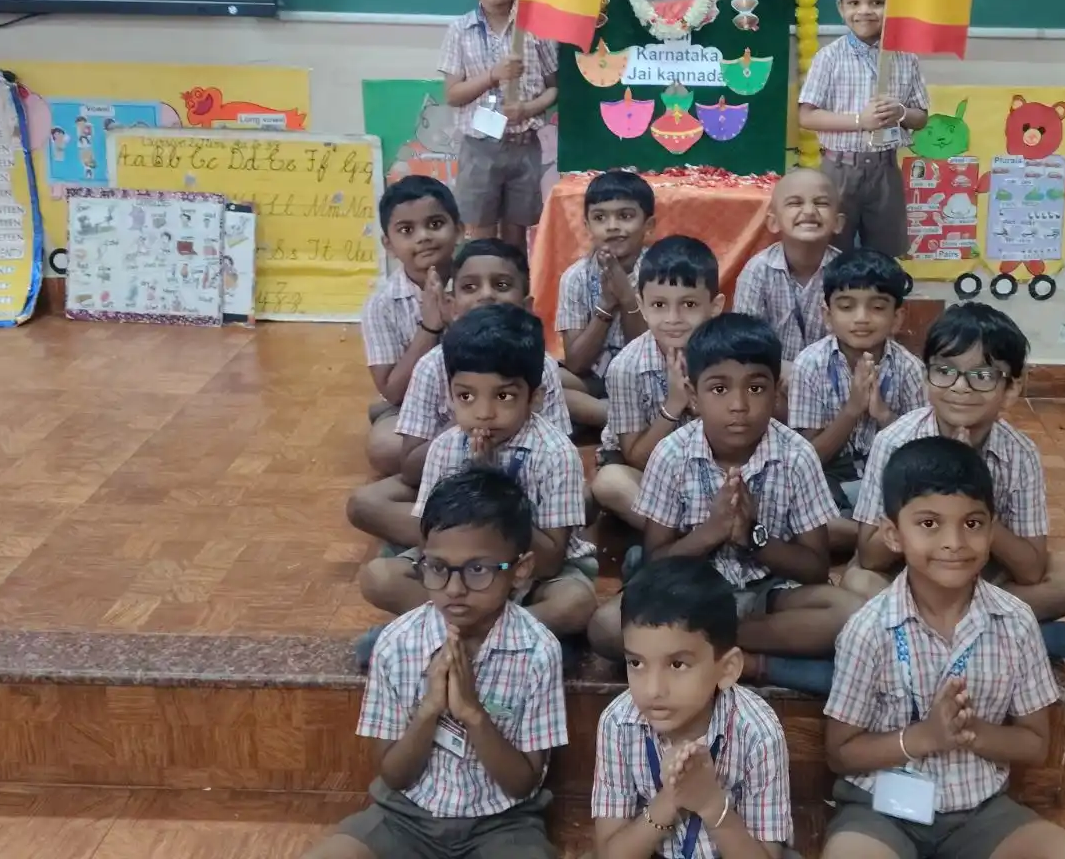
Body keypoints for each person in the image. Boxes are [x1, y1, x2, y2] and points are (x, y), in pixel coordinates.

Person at [821, 437, 1065, 859]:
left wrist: (970, 734)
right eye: (929, 524)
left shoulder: (1015, 621)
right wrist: (926, 736)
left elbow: (1034, 743)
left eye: (972, 523)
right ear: (893, 535)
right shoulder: (868, 629)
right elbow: (840, 753)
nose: (954, 542)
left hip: (981, 814)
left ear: (991, 530)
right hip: (879, 813)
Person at [589, 313, 866, 695]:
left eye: (756, 388)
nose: (739, 404)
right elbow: (656, 563)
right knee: (605, 627)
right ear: (692, 395)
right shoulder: (671, 454)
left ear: (776, 391)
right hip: (694, 595)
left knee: (850, 615)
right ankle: (751, 659)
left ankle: (708, 650)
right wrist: (711, 532)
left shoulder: (797, 455)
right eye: (719, 389)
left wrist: (753, 538)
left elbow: (815, 570)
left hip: (769, 595)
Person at [304, 470, 565, 859]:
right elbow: (393, 774)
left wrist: (474, 714)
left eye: (478, 569)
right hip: (403, 817)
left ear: (521, 570)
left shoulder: (538, 651)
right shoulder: (398, 643)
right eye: (438, 568)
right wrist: (429, 711)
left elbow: (522, 784)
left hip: (502, 824)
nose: (454, 589)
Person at [846, 305, 1065, 663]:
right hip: (912, 579)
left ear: (1011, 389)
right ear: (926, 378)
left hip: (980, 580)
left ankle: (937, 638)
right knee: (858, 584)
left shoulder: (1020, 453)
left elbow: (1031, 568)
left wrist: (973, 494)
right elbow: (870, 556)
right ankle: (1006, 637)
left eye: (982, 376)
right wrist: (934, 488)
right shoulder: (896, 442)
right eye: (945, 372)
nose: (960, 388)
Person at [358, 304, 598, 643]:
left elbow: (548, 562)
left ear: (535, 399)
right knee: (379, 577)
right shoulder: (445, 449)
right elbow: (429, 541)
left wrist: (491, 488)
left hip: (531, 577)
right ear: (450, 395)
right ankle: (498, 636)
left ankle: (453, 635)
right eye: (466, 396)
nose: (484, 413)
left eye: (503, 396)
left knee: (573, 604)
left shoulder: (555, 453)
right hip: (463, 575)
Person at [347, 241, 572, 556]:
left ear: (526, 303)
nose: (486, 295)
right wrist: (468, 416)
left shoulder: (543, 366)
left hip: (524, 491)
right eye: (470, 286)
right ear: (451, 305)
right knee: (364, 504)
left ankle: (445, 548)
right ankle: (458, 551)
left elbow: (557, 449)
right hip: (448, 477)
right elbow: (412, 469)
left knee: (581, 503)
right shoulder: (431, 366)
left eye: (502, 285)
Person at [591, 556, 793, 859]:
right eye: (636, 663)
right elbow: (609, 854)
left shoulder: (758, 733)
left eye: (677, 664)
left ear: (727, 669)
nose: (653, 689)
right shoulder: (618, 723)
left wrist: (711, 802)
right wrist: (669, 799)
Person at [789, 249, 926, 556]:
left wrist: (884, 416)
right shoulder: (809, 365)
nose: (861, 319)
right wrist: (851, 411)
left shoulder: (909, 368)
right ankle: (885, 541)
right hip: (833, 479)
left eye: (877, 307)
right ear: (827, 316)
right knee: (806, 520)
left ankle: (881, 539)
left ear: (897, 318)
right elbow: (807, 459)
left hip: (887, 478)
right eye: (847, 307)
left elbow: (921, 454)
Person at [797, 0, 929, 259]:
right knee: (832, 249)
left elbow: (921, 117)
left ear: (896, 6)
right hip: (839, 169)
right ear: (841, 7)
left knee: (885, 253)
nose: (865, 11)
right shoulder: (829, 57)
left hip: (884, 169)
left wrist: (900, 113)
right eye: (854, 3)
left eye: (878, 2)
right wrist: (860, 121)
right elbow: (807, 115)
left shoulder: (905, 57)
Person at [590, 236, 724, 535]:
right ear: (642, 306)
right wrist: (674, 405)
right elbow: (635, 457)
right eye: (659, 305)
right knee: (609, 482)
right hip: (647, 472)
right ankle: (695, 538)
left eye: (689, 304)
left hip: (711, 467)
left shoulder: (726, 355)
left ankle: (705, 531)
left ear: (715, 306)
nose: (673, 319)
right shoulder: (626, 367)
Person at [441, 0, 559, 249]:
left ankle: (514, 295)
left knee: (516, 234)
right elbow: (452, 95)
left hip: (525, 146)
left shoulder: (536, 29)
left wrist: (527, 109)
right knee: (479, 231)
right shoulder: (459, 31)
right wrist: (493, 75)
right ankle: (483, 296)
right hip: (479, 148)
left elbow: (554, 88)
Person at [362, 177, 463, 476]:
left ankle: (447, 456)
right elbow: (393, 391)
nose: (423, 237)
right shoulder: (381, 305)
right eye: (407, 230)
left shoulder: (478, 282)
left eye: (435, 224)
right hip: (417, 405)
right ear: (389, 244)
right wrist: (430, 328)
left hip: (484, 400)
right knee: (383, 449)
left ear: (458, 230)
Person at [732, 167, 844, 362]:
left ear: (838, 222)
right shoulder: (758, 271)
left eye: (821, 203)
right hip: (771, 377)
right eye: (795, 203)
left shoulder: (846, 272)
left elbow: (855, 341)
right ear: (773, 222)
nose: (809, 211)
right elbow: (744, 340)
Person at [558, 169, 656, 389]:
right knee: (551, 379)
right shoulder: (576, 277)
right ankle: (609, 415)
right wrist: (606, 304)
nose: (612, 226)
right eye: (600, 217)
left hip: (648, 379)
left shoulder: (660, 270)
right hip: (593, 381)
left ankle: (607, 415)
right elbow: (575, 363)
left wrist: (627, 298)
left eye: (625, 216)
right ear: (587, 226)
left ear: (648, 225)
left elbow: (647, 354)